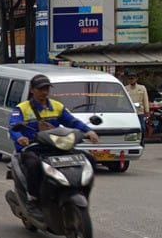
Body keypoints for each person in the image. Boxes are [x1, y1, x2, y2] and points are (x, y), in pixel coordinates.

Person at [10, 74, 99, 208]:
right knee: (33, 165)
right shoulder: (22, 108)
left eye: (46, 89)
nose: (44, 92)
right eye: (40, 89)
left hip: (56, 146)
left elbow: (72, 122)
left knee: (89, 159)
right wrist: (20, 138)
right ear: (32, 90)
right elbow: (13, 127)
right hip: (33, 147)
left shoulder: (57, 106)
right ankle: (33, 197)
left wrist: (88, 131)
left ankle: (81, 190)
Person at [124, 70, 150, 140]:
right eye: (130, 78)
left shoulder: (142, 88)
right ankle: (131, 141)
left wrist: (147, 111)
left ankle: (142, 141)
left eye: (133, 78)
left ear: (136, 79)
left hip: (140, 111)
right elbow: (121, 101)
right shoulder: (125, 88)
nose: (131, 80)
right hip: (129, 112)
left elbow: (145, 100)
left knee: (142, 127)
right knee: (130, 128)